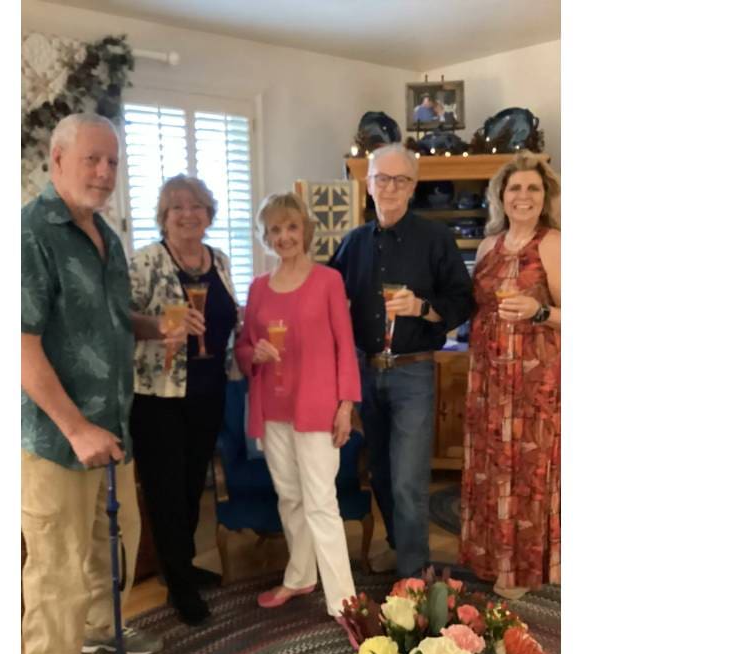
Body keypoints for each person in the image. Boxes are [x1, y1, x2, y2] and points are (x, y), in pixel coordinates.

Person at [21, 113, 163, 654]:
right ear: (57, 160)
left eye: (112, 162)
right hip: (58, 437)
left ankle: (103, 624)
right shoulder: (31, 233)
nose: (105, 173)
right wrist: (75, 427)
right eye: (92, 160)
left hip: (113, 427)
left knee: (114, 539)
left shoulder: (105, 233)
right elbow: (18, 341)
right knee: (57, 554)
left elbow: (105, 318)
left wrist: (151, 328)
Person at [329, 143, 474, 579]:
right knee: (380, 474)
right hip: (365, 372)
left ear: (413, 186)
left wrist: (423, 308)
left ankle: (414, 578)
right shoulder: (353, 243)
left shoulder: (436, 238)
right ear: (368, 184)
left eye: (400, 180)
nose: (390, 187)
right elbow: (327, 298)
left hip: (413, 371)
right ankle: (400, 547)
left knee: (409, 481)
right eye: (382, 179)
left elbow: (462, 300)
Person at [235, 193, 360, 616]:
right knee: (289, 497)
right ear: (265, 236)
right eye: (275, 229)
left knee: (321, 503)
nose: (284, 236)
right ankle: (300, 576)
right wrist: (254, 353)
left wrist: (346, 405)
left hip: (317, 407)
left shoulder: (328, 280)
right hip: (272, 408)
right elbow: (244, 346)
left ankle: (344, 602)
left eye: (291, 227)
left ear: (305, 230)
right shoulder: (257, 287)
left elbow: (345, 346)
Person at [128, 175, 240, 625]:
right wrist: (159, 327)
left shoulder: (220, 260)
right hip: (159, 397)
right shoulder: (146, 261)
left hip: (209, 390)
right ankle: (178, 584)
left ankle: (183, 564)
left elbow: (230, 316)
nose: (188, 214)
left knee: (194, 485)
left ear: (209, 214)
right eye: (177, 207)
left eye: (196, 207)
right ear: (163, 216)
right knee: (166, 490)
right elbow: (118, 316)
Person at [459, 151, 561, 600]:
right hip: (488, 379)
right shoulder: (487, 246)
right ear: (501, 196)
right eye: (515, 187)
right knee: (491, 469)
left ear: (545, 196)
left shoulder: (553, 244)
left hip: (535, 379)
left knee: (528, 472)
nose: (524, 195)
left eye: (533, 188)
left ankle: (522, 569)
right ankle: (493, 560)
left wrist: (539, 310)